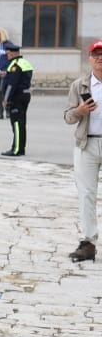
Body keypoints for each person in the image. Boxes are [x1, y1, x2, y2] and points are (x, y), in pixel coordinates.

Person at [65, 40, 102, 263]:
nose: (100, 58)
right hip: (86, 144)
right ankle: (88, 242)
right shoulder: (80, 86)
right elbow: (68, 117)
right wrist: (79, 110)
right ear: (89, 58)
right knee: (86, 194)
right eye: (96, 54)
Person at [1, 42, 33, 157]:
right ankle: (21, 148)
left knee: (16, 123)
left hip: (17, 97)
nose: (7, 56)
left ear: (14, 53)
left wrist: (6, 99)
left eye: (8, 54)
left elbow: (11, 84)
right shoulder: (24, 63)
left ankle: (16, 149)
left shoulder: (15, 65)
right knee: (21, 123)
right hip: (25, 95)